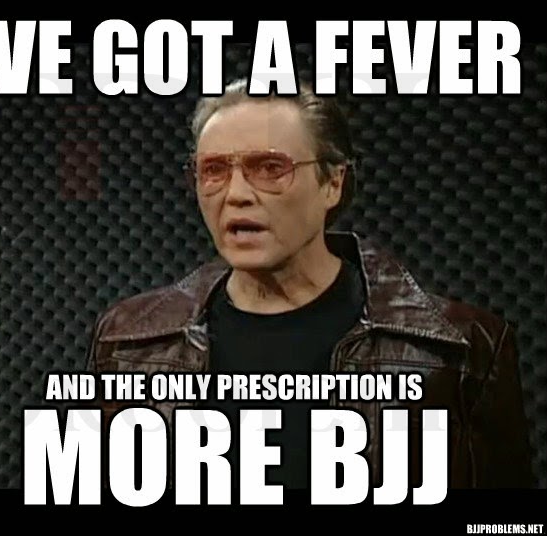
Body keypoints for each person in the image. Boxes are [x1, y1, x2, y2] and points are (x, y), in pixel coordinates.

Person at [85, 78, 535, 490]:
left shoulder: (462, 348)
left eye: (269, 167)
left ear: (332, 183)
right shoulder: (127, 341)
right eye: (214, 169)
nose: (236, 194)